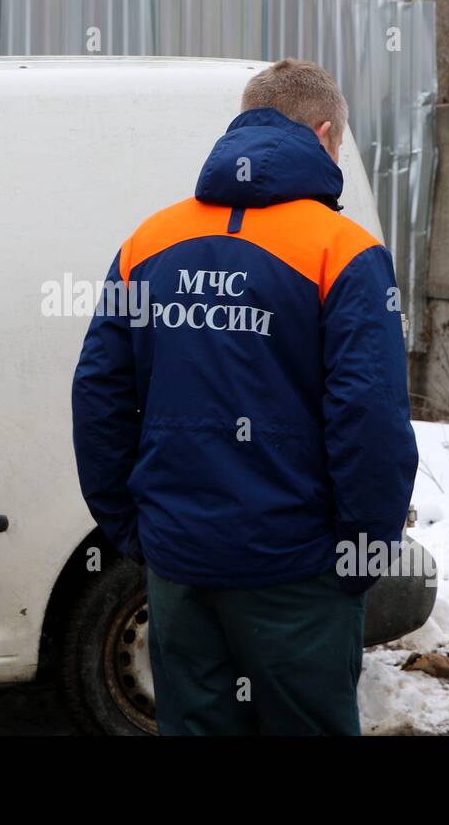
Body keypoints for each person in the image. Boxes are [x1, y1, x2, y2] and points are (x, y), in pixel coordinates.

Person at [71, 58, 418, 736]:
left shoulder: (149, 241)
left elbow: (98, 394)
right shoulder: (344, 251)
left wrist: (134, 527)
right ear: (325, 133)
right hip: (298, 568)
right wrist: (363, 550)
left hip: (180, 564)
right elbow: (370, 416)